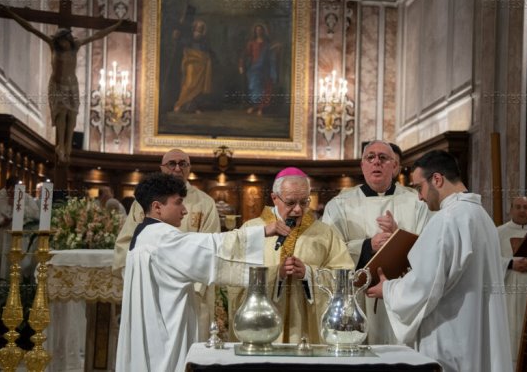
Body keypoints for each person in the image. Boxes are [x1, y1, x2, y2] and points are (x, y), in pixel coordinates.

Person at [116, 172, 290, 372]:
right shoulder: (164, 239)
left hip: (148, 330)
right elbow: (213, 248)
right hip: (163, 337)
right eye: (178, 203)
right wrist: (263, 232)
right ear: (157, 207)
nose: (184, 211)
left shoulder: (145, 235)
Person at [366, 150, 511, 371]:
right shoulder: (482, 216)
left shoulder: (447, 219)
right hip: (477, 332)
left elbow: (425, 284)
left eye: (419, 187)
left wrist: (388, 289)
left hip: (451, 336)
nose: (420, 197)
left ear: (437, 179)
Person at [228, 167, 354, 344]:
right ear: (274, 198)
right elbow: (233, 278)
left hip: (307, 332)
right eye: (290, 203)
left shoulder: (325, 233)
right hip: (261, 327)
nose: (298, 210)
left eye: (304, 202)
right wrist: (275, 274)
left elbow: (345, 278)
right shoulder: (252, 230)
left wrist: (309, 274)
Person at [321, 140, 430, 344]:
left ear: (395, 166)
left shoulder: (417, 202)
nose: (376, 162)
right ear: (362, 166)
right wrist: (367, 246)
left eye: (383, 158)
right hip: (357, 296)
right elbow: (329, 253)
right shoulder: (339, 205)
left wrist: (399, 237)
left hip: (403, 294)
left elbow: (430, 248)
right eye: (370, 158)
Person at [112, 149, 220, 341]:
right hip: (152, 289)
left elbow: (210, 248)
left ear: (189, 168)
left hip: (191, 293)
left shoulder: (205, 203)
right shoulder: (142, 203)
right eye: (172, 163)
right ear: (162, 168)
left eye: (183, 163)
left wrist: (187, 290)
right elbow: (126, 244)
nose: (177, 168)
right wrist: (140, 280)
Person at [3, 6, 126, 162]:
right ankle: (60, 146)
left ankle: (68, 147)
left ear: (68, 39)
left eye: (64, 41)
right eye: (60, 41)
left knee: (72, 117)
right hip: (57, 84)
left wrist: (117, 25)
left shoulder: (76, 46)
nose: (62, 44)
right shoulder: (52, 45)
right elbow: (31, 29)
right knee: (61, 114)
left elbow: (98, 35)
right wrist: (11, 14)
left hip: (72, 86)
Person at [497, 196, 527, 367]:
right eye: (518, 207)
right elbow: (489, 260)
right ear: (511, 209)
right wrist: (511, 263)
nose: (522, 210)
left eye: (526, 207)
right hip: (507, 292)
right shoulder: (498, 233)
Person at [0, 177, 39, 285]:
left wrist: (19, 206)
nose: (12, 194)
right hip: (1, 238)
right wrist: (0, 221)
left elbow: (36, 214)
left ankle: (19, 293)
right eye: (10, 191)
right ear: (6, 187)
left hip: (21, 239)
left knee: (21, 266)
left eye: (15, 191)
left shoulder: (26, 198)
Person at [173, 19, 212, 113]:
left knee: (199, 88)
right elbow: (181, 43)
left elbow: (207, 53)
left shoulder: (205, 41)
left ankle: (194, 107)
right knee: (189, 84)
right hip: (190, 64)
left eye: (201, 28)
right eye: (198, 27)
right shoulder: (188, 38)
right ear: (194, 28)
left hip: (201, 66)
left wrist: (206, 59)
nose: (199, 29)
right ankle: (180, 104)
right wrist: (176, 37)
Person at [239, 23, 278, 116]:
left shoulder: (267, 44)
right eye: (257, 30)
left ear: (263, 31)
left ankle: (261, 108)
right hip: (254, 69)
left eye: (260, 29)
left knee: (264, 88)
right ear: (255, 31)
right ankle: (254, 106)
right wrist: (241, 65)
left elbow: (272, 55)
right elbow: (245, 54)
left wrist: (276, 48)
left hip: (265, 69)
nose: (259, 31)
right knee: (253, 88)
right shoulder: (251, 43)